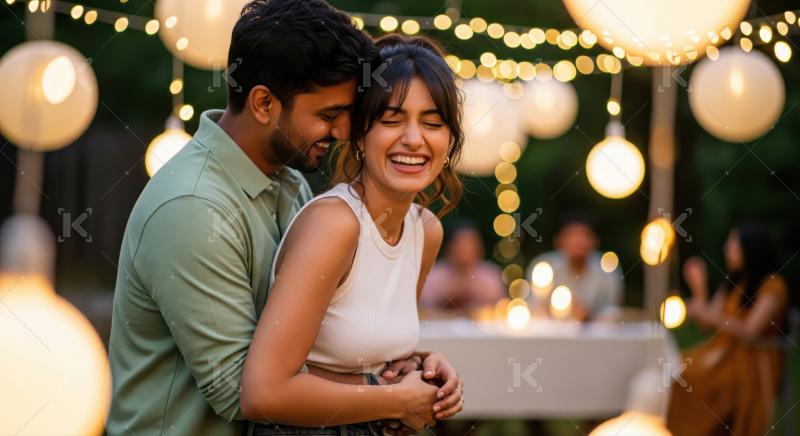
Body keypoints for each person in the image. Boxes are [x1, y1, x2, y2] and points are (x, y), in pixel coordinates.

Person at [107, 2, 461, 435]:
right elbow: (247, 390)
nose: (344, 132)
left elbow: (316, 342)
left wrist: (409, 368)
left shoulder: (288, 181)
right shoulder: (192, 207)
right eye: (329, 115)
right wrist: (393, 393)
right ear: (263, 103)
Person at [239, 34, 465, 435]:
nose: (414, 139)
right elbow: (263, 393)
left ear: (449, 140)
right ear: (360, 134)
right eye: (392, 120)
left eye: (432, 123)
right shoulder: (336, 224)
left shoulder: (426, 231)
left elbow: (370, 355)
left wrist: (421, 365)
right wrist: (397, 398)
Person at [667, 223, 790, 436]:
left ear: (750, 249)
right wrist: (699, 286)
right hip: (721, 354)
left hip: (751, 361)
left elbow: (751, 331)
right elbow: (707, 323)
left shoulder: (773, 286)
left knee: (693, 380)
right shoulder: (733, 282)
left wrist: (708, 313)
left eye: (732, 244)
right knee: (677, 371)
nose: (727, 248)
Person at [526, 213, 623, 319]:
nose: (578, 241)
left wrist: (588, 313)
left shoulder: (607, 268)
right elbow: (533, 306)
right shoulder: (544, 265)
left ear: (595, 241)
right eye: (571, 235)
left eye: (585, 234)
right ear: (558, 240)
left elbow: (613, 310)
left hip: (595, 333)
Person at [420, 219, 505, 314]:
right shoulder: (434, 273)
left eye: (470, 245)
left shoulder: (491, 274)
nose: (465, 251)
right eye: (460, 245)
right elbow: (425, 304)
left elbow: (499, 303)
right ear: (449, 248)